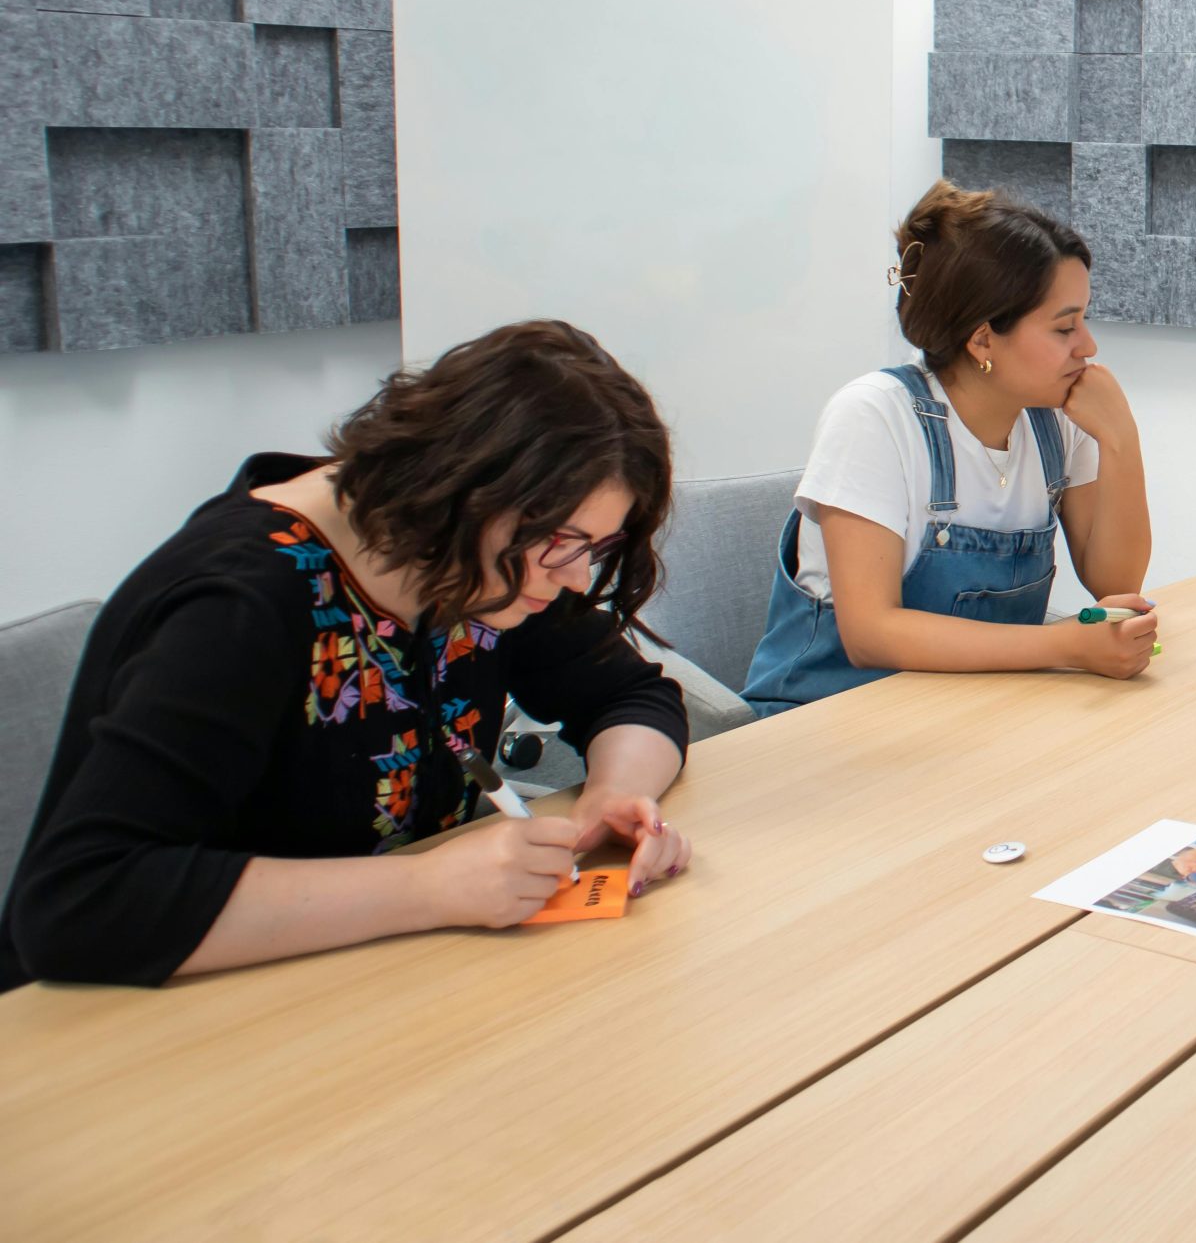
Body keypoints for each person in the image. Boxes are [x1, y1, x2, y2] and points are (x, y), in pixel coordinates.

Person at [2, 321, 695, 989]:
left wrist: (609, 798)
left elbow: (630, 696)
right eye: (566, 543)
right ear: (468, 490)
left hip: (381, 985)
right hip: (156, 1032)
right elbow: (81, 902)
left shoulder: (490, 562)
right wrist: (430, 886)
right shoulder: (240, 602)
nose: (577, 578)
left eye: (596, 551)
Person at [739, 181, 1155, 717]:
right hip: (827, 720)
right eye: (1065, 327)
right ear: (982, 341)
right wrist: (1067, 646)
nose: (1089, 346)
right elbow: (870, 633)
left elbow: (1115, 584)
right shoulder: (873, 416)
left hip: (975, 713)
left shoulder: (1056, 419)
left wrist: (1121, 438)